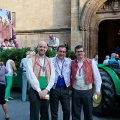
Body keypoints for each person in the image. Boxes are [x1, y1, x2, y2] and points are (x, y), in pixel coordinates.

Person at [71, 45, 102, 120]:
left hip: (87, 90)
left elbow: (97, 77)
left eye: (81, 51)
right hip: (75, 90)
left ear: (84, 52)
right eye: (78, 52)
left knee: (88, 112)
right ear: (75, 53)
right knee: (75, 113)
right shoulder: (72, 63)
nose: (80, 53)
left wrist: (98, 90)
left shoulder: (91, 62)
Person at [26, 41, 55, 120]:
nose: (42, 48)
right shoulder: (31, 59)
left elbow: (52, 76)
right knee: (34, 113)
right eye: (40, 46)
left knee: (45, 113)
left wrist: (47, 89)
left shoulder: (50, 60)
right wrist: (39, 91)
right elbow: (30, 76)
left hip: (46, 90)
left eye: (44, 47)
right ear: (37, 47)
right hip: (35, 90)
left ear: (47, 48)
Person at [50, 45, 71, 120]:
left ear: (65, 53)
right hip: (54, 88)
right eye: (60, 51)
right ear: (57, 52)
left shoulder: (69, 61)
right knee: (54, 111)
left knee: (67, 111)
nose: (62, 53)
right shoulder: (50, 60)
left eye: (64, 52)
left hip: (65, 89)